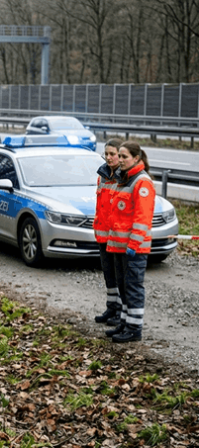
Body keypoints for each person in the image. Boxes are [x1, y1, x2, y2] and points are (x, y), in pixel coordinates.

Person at [104, 141, 155, 343]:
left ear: (136, 158)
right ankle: (125, 323)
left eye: (125, 157)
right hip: (119, 247)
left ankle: (134, 328)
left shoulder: (141, 182)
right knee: (124, 287)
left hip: (133, 249)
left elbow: (142, 220)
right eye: (121, 157)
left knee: (133, 288)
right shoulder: (125, 179)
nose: (121, 160)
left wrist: (133, 246)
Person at [93, 138, 123, 326]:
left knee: (120, 276)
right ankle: (111, 307)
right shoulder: (102, 175)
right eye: (107, 154)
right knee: (108, 274)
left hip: (117, 237)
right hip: (103, 235)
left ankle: (120, 311)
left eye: (113, 154)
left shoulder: (124, 177)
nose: (109, 157)